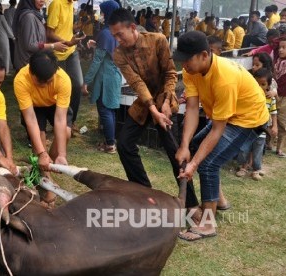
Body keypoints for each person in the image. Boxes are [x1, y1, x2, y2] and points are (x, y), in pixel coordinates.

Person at [174, 31, 269, 241]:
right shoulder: (191, 70)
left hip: (249, 119)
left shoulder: (224, 78)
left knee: (207, 163)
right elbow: (191, 108)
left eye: (187, 59)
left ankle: (208, 223)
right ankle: (221, 201)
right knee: (197, 144)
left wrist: (194, 163)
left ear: (204, 55)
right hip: (229, 116)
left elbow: (217, 129)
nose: (184, 65)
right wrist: (184, 145)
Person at [109, 8, 199, 209]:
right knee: (124, 144)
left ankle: (191, 204)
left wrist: (166, 102)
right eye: (113, 36)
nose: (117, 40)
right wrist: (152, 109)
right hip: (144, 103)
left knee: (175, 152)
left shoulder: (158, 40)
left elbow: (170, 74)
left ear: (132, 28)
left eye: (119, 35)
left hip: (165, 101)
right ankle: (144, 193)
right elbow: (136, 82)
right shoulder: (118, 54)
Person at [14, 50, 72, 206]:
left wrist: (61, 154)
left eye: (49, 81)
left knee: (66, 132)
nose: (45, 85)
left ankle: (43, 167)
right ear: (31, 72)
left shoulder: (63, 80)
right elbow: (30, 118)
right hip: (34, 108)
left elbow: (60, 118)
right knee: (38, 140)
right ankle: (47, 183)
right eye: (41, 82)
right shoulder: (21, 79)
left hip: (54, 105)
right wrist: (41, 152)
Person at [82, 0, 121, 154]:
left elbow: (98, 61)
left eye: (104, 12)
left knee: (104, 109)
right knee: (110, 109)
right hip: (115, 75)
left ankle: (110, 144)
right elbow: (108, 49)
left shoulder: (105, 32)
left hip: (106, 76)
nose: (102, 16)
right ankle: (110, 141)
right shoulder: (117, 30)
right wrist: (95, 44)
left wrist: (86, 81)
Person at [46, 0, 85, 131]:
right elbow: (49, 33)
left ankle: (71, 121)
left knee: (77, 84)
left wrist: (77, 27)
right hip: (57, 53)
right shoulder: (56, 4)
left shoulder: (71, 4)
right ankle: (58, 122)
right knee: (58, 88)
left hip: (71, 52)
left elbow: (65, 28)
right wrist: (67, 42)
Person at [236, 68, 277, 180]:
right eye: (257, 84)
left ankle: (256, 170)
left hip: (262, 130)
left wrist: (274, 126)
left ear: (268, 86)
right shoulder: (249, 98)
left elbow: (274, 113)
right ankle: (243, 167)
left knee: (258, 151)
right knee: (244, 149)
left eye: (263, 84)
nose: (259, 87)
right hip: (248, 129)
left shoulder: (270, 99)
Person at [12, 0, 68, 71]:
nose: (42, 1)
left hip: (33, 63)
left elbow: (40, 38)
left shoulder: (36, 14)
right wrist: (53, 46)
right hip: (27, 66)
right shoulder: (28, 17)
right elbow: (30, 45)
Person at [274, 37, 286, 157]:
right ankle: (267, 143)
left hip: (284, 98)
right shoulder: (276, 62)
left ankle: (280, 148)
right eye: (280, 47)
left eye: (284, 48)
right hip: (274, 95)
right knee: (270, 120)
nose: (281, 50)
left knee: (282, 123)